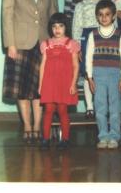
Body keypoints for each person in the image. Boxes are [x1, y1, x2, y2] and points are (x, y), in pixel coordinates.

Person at [2, 0, 58, 145]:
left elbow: (54, 17)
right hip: (20, 43)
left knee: (40, 88)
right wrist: (11, 44)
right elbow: (7, 16)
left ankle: (38, 126)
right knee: (22, 89)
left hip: (43, 44)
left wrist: (55, 44)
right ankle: (27, 126)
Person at [86, 0, 121, 149]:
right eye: (101, 15)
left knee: (115, 107)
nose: (104, 18)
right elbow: (88, 56)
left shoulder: (119, 35)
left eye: (107, 14)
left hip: (115, 74)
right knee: (100, 106)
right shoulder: (93, 35)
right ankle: (103, 136)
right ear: (97, 17)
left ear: (113, 16)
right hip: (98, 74)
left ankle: (114, 136)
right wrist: (90, 77)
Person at [38, 13, 80, 150]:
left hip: (64, 83)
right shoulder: (46, 44)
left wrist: (73, 84)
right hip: (49, 83)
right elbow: (43, 65)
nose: (57, 29)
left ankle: (66, 139)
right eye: (54, 26)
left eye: (60, 26)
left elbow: (76, 65)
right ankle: (45, 139)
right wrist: (40, 85)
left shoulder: (71, 44)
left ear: (65, 27)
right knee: (48, 110)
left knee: (62, 110)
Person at [72, 0, 107, 119]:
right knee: (88, 74)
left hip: (104, 38)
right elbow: (76, 27)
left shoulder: (106, 3)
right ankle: (90, 107)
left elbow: (114, 25)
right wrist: (77, 47)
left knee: (101, 73)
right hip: (86, 39)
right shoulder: (81, 5)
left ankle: (101, 106)